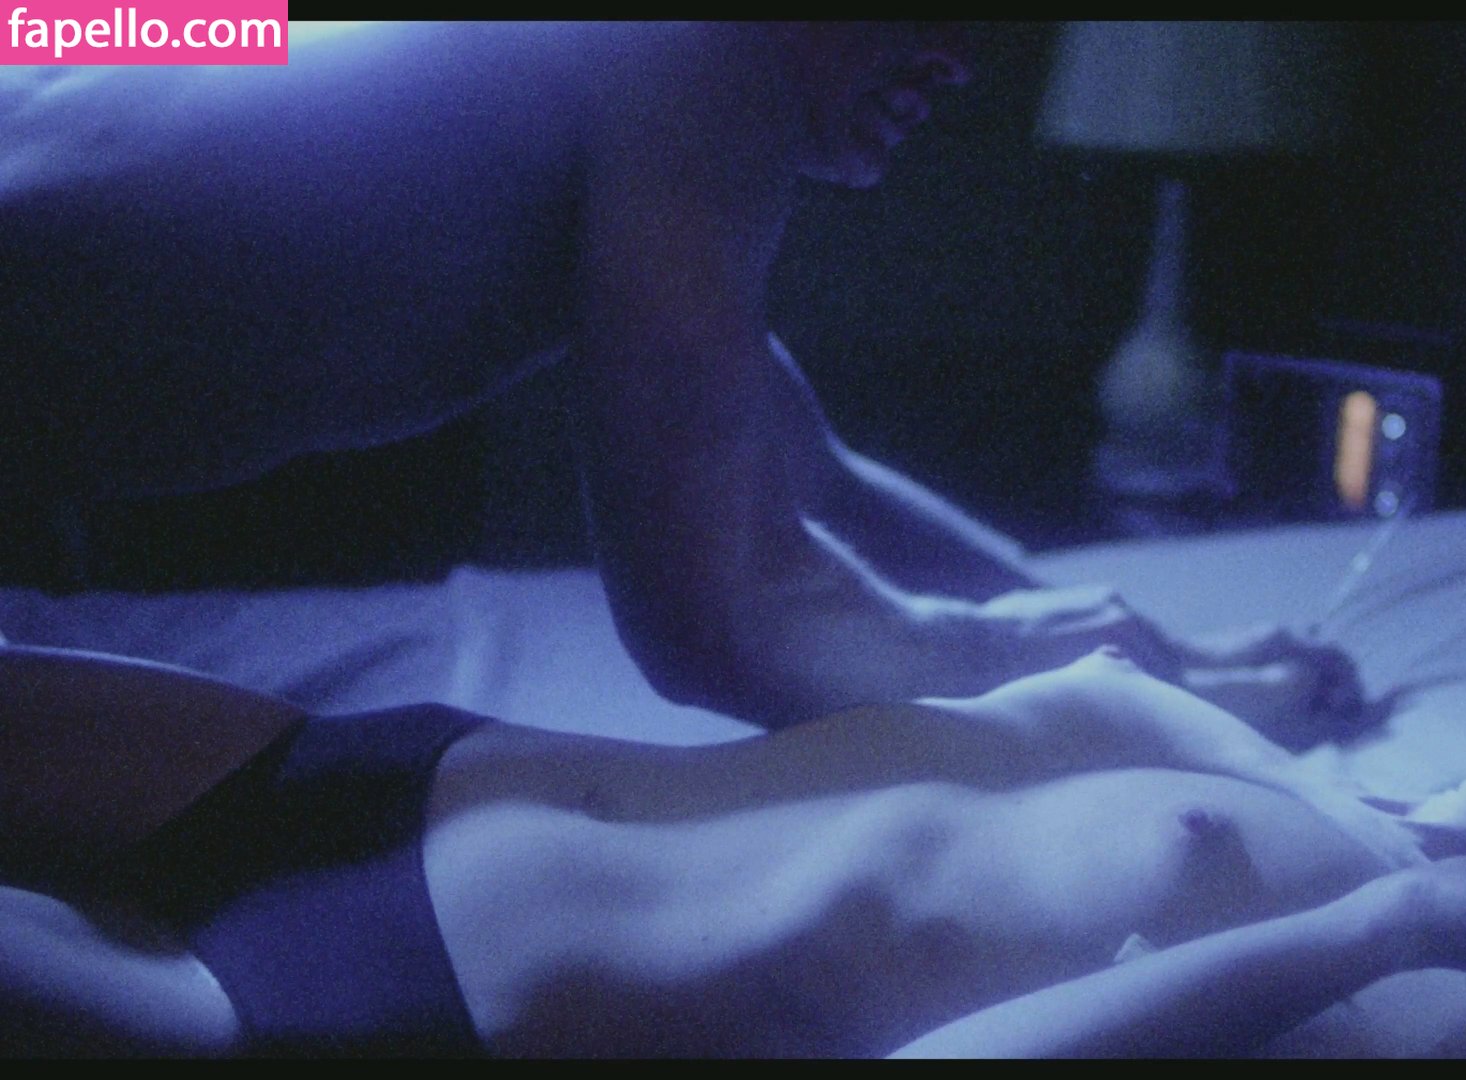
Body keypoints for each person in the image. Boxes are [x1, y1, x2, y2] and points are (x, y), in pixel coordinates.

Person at [0, 21, 1360, 733]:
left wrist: (1152, 642)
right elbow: (720, 630)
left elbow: (817, 483)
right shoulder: (702, 55)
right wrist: (1081, 674)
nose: (961, 52)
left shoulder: (619, 91)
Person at [3, 579, 1466, 1056]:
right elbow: (992, 694)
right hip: (389, 772)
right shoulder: (1335, 805)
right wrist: (1228, 676)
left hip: (395, 997)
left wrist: (1393, 926)